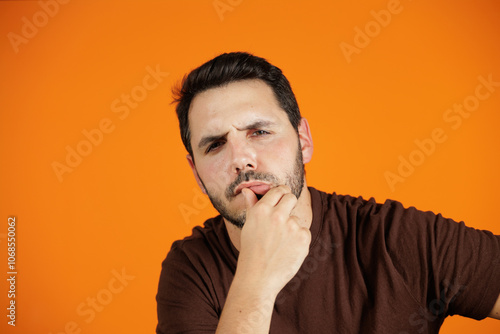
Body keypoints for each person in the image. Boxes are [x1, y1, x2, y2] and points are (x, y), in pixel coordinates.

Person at [156, 52, 500, 333]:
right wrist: (255, 279)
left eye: (259, 132)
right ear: (197, 174)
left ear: (303, 141)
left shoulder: (398, 238)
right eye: (215, 145)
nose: (240, 159)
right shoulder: (190, 270)